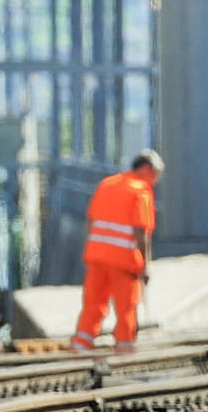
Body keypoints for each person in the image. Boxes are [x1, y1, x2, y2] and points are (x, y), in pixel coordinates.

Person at [70, 150, 163, 353]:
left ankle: (81, 346)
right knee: (126, 307)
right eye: (156, 174)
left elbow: (90, 220)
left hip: (97, 255)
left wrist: (100, 246)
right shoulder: (141, 191)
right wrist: (145, 265)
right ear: (146, 169)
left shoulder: (107, 184)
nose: (156, 181)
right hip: (123, 260)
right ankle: (124, 349)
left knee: (93, 303)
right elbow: (141, 231)